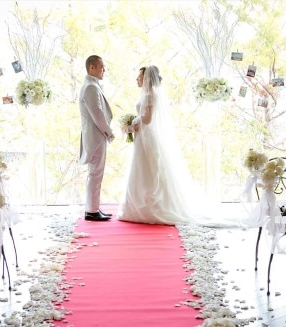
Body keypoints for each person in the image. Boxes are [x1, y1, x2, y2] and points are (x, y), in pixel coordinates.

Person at [117, 65, 198, 225]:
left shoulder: (149, 95)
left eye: (139, 76)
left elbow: (147, 120)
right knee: (144, 169)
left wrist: (132, 125)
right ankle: (143, 205)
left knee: (147, 169)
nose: (137, 79)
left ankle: (148, 208)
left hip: (146, 137)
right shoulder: (149, 94)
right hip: (144, 137)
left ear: (146, 78)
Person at [79, 55, 115, 221]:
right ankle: (92, 211)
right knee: (95, 173)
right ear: (92, 68)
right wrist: (109, 132)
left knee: (95, 173)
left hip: (95, 136)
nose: (104, 70)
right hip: (96, 136)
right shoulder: (90, 87)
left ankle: (93, 208)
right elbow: (97, 114)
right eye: (101, 67)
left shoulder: (91, 85)